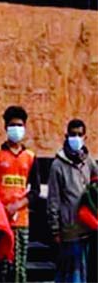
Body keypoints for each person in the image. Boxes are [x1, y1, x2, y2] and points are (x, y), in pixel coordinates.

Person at [0, 106, 40, 283]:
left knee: (18, 268)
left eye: (20, 125)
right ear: (6, 127)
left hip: (21, 220)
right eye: (13, 125)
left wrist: (19, 205)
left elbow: (35, 191)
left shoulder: (30, 156)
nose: (17, 129)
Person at [47, 119, 98, 283]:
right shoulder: (58, 165)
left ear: (85, 137)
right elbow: (53, 199)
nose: (76, 138)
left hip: (89, 229)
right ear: (66, 136)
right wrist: (55, 229)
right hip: (69, 230)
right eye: (72, 134)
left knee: (86, 273)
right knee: (71, 274)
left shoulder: (88, 162)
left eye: (79, 135)